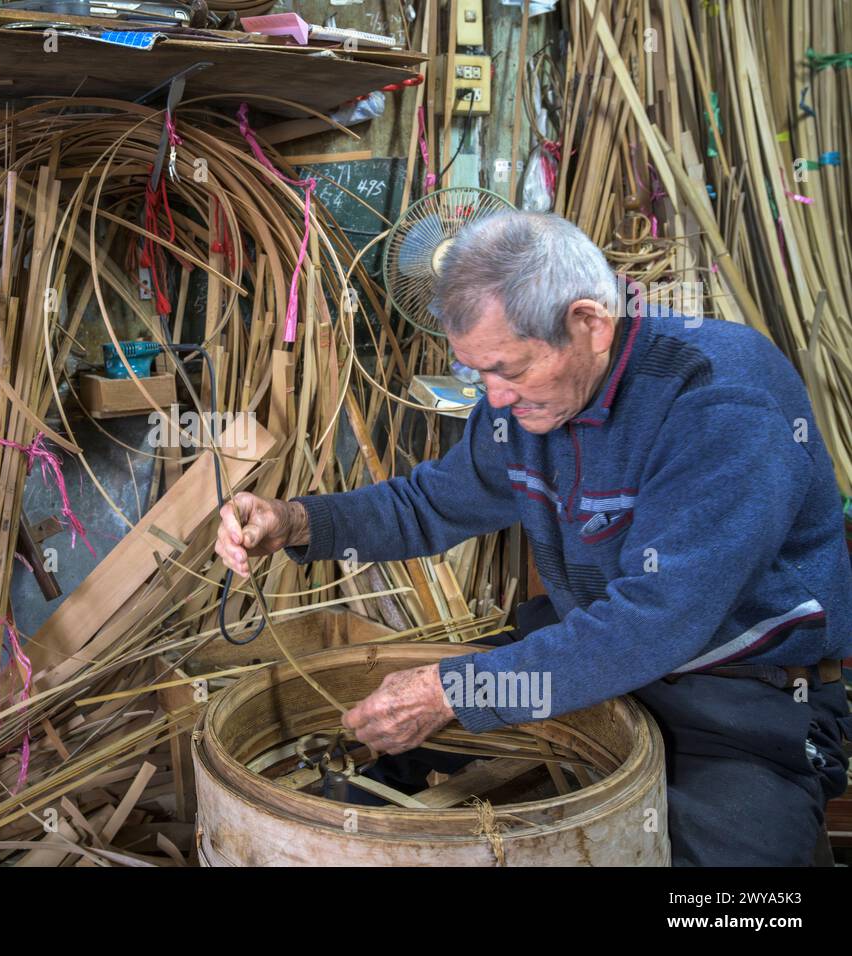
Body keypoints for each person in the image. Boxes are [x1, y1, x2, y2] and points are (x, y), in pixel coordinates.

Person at [213, 211, 852, 865]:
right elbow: (429, 505)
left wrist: (454, 690)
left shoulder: (718, 402)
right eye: (475, 372)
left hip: (742, 697)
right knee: (379, 765)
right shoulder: (526, 404)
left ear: (589, 325)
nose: (493, 397)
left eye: (508, 369)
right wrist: (296, 521)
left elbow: (657, 623)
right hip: (594, 661)